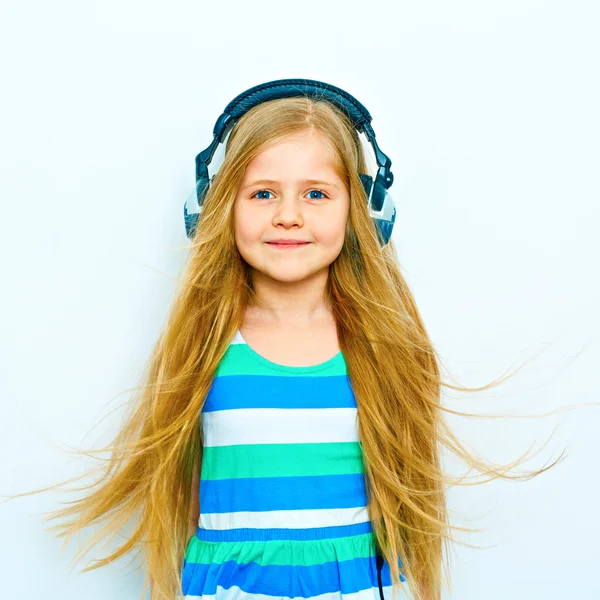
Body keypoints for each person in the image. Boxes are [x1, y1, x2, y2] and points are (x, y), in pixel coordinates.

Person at [3, 79, 563, 600]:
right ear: (216, 210)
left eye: (317, 194)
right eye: (263, 194)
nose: (289, 216)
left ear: (364, 211)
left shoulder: (384, 351)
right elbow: (194, 494)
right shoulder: (205, 345)